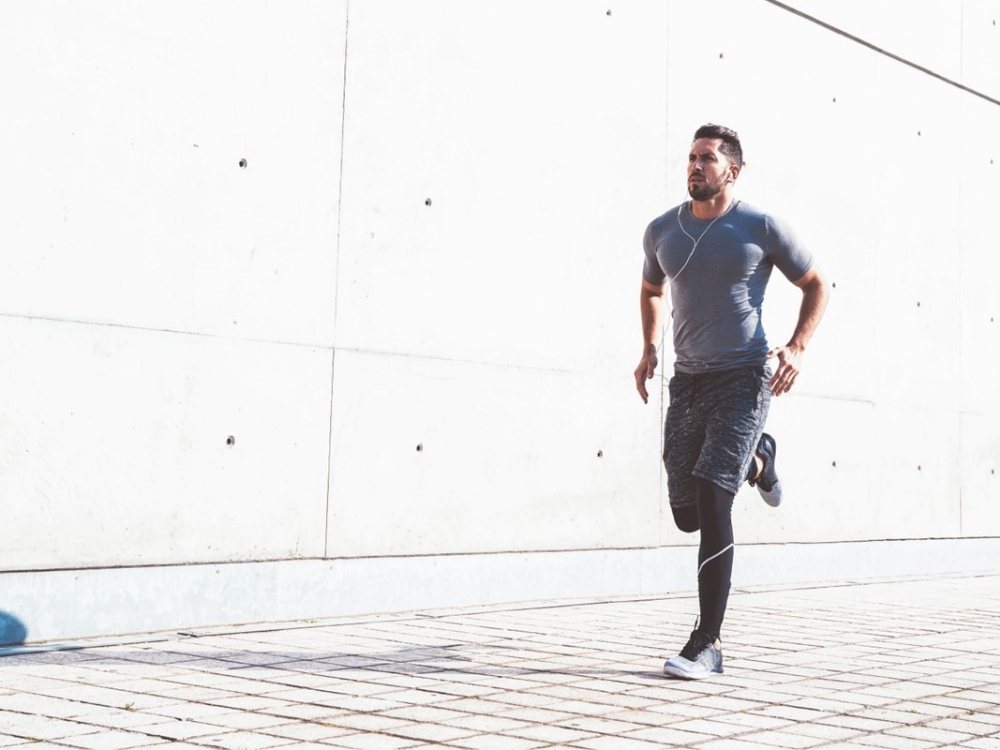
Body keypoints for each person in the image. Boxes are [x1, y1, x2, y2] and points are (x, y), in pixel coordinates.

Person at [634, 123, 829, 679]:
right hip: (688, 383)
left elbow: (817, 283)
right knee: (685, 514)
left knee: (714, 503)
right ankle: (761, 457)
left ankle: (707, 644)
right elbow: (651, 291)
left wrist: (796, 346)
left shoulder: (759, 226)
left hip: (744, 379)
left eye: (707, 159)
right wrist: (648, 347)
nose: (695, 166)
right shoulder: (661, 231)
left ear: (732, 170)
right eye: (691, 158)